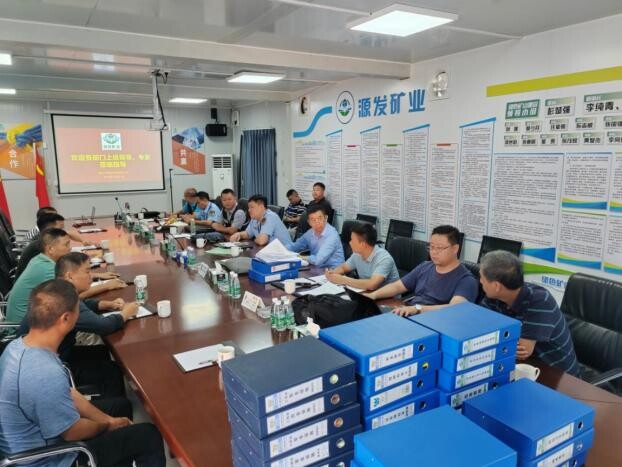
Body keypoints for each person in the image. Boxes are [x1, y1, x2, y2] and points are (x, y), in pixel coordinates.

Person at [0, 279, 166, 467]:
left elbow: (68, 393)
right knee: (147, 436)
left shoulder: (20, 346)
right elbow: (72, 432)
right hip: (49, 459)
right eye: (78, 309)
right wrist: (107, 425)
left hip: (38, 442)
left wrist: (110, 420)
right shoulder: (44, 372)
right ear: (65, 318)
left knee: (120, 406)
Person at [479, 250, 579, 375]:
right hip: (521, 367)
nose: (480, 281)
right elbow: (478, 326)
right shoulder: (493, 297)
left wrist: (492, 338)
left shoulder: (540, 301)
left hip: (556, 375)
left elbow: (522, 352)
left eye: (482, 278)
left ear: (496, 286)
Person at [7, 229, 125, 323]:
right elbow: (72, 296)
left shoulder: (40, 259)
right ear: (50, 249)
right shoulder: (48, 269)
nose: (70, 248)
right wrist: (106, 286)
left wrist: (97, 275)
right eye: (66, 245)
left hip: (33, 318)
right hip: (30, 326)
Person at [366, 225, 478, 316]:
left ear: (455, 249)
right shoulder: (425, 266)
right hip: (410, 313)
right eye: (431, 247)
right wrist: (373, 296)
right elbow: (397, 286)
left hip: (433, 322)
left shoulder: (466, 280)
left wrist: (417, 309)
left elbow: (454, 309)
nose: (433, 252)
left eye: (439, 248)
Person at [325, 222, 399, 290]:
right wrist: (333, 274)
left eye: (352, 240)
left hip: (388, 298)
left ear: (362, 244)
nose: (349, 243)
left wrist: (342, 280)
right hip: (366, 293)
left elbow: (372, 284)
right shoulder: (357, 254)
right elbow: (343, 268)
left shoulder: (384, 259)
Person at [16, 212, 66, 279]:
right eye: (60, 229)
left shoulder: (41, 239)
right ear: (49, 229)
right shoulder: (39, 245)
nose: (63, 232)